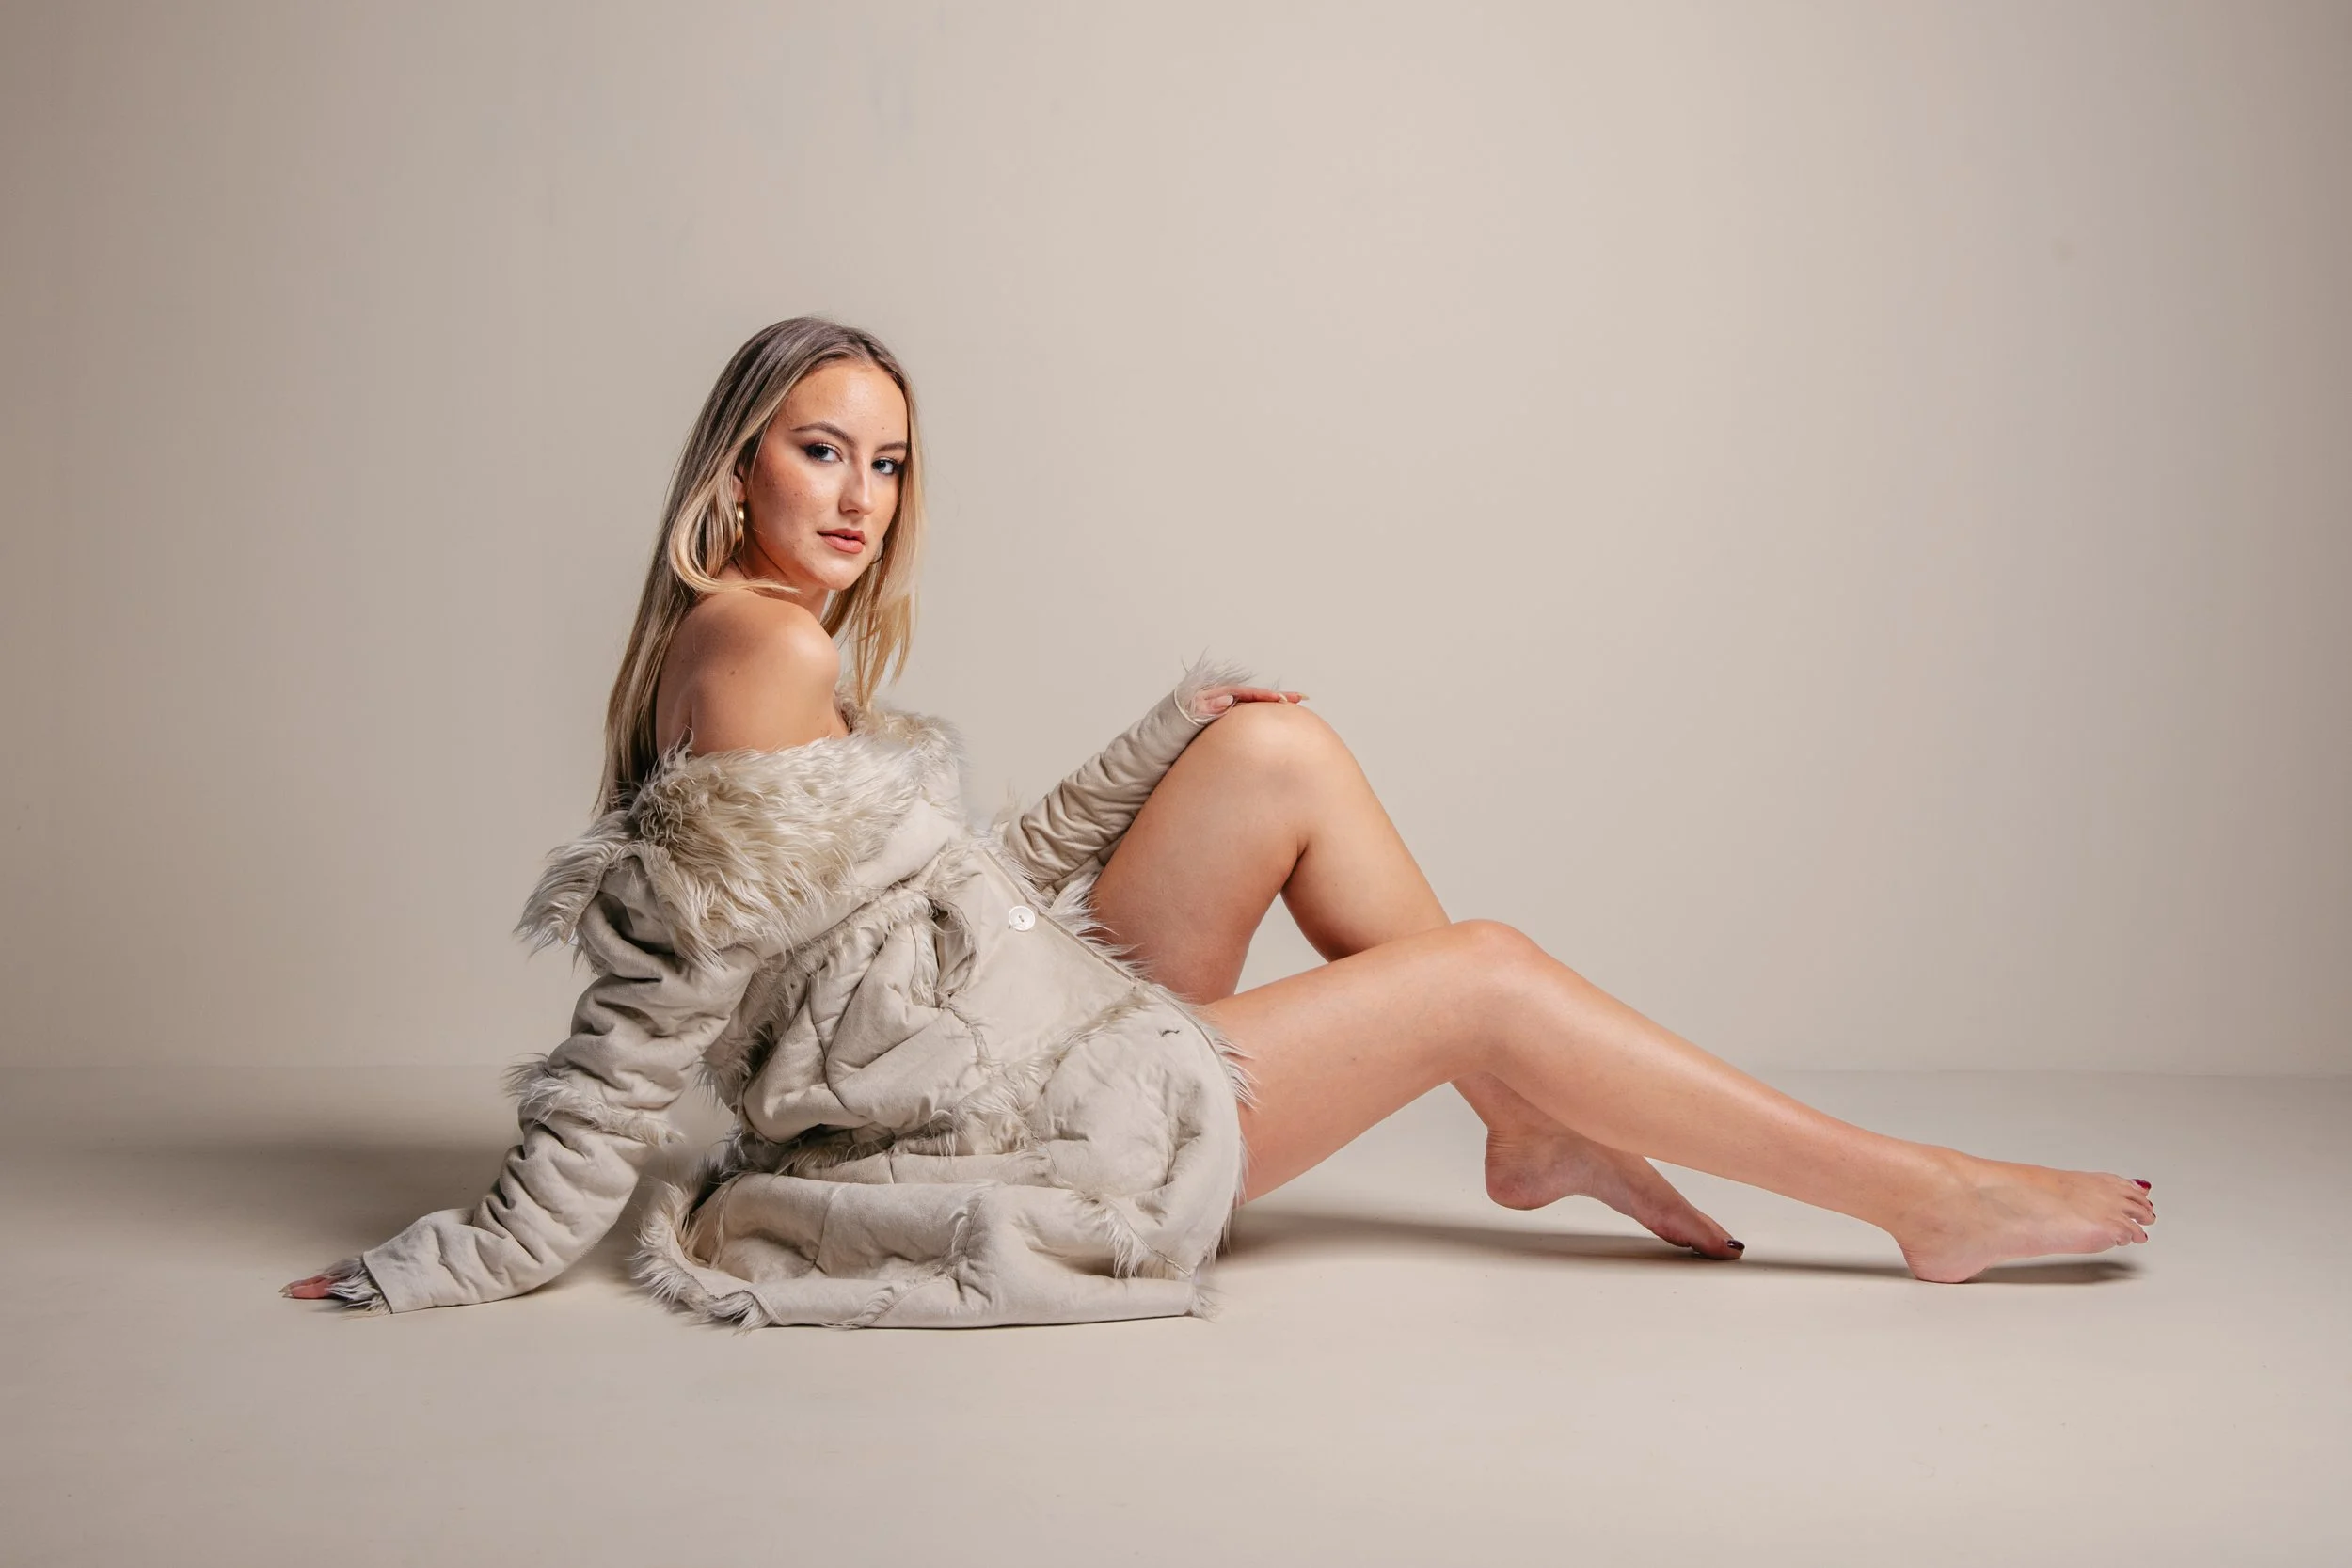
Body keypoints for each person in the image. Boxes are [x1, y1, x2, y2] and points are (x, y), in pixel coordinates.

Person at [285, 317, 2156, 1326]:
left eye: (888, 457)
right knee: (1481, 970)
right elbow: (649, 1013)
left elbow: (941, 912)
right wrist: (470, 1246)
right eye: (819, 448)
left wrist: (1160, 736)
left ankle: (1522, 1128)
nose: (858, 492)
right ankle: (1925, 1197)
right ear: (735, 462)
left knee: (1270, 748)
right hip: (1029, 1128)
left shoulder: (774, 642)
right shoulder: (746, 644)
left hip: (1024, 1028)